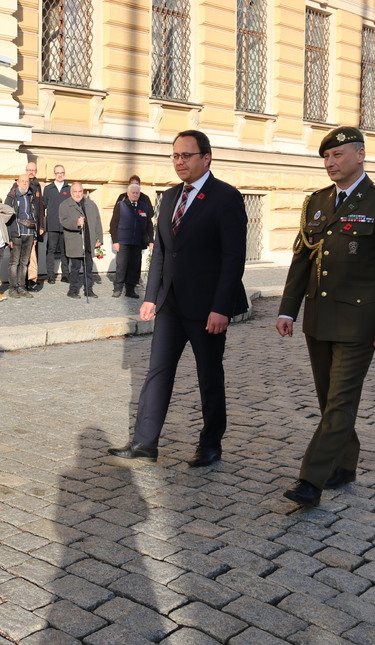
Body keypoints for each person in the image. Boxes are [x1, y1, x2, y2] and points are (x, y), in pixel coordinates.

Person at [276, 126, 375, 508]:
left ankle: (310, 480)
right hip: (319, 320)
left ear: (360, 155)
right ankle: (345, 464)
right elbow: (302, 259)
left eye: (338, 156)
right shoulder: (316, 202)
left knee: (339, 402)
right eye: (326, 158)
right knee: (330, 401)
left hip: (359, 324)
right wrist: (288, 309)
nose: (330, 163)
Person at [108, 130, 248, 467]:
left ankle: (210, 444)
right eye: (175, 156)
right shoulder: (169, 197)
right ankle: (144, 443)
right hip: (170, 304)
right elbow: (162, 253)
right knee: (157, 372)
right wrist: (151, 296)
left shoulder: (226, 197)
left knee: (209, 377)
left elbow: (233, 258)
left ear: (206, 158)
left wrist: (220, 307)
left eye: (186, 155)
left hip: (207, 308)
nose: (180, 161)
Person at [109, 182, 155, 298]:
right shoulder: (121, 205)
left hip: (137, 241)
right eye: (133, 193)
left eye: (137, 193)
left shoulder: (144, 207)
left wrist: (151, 240)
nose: (135, 195)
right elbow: (113, 224)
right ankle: (117, 288)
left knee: (134, 267)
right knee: (121, 266)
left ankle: (130, 290)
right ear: (128, 193)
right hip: (123, 241)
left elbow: (149, 224)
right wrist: (115, 241)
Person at [58, 182, 103, 299]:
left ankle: (89, 290)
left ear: (82, 192)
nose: (77, 194)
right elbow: (63, 221)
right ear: (71, 192)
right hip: (75, 242)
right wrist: (76, 223)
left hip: (89, 240)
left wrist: (99, 238)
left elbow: (98, 222)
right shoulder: (65, 205)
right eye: (75, 192)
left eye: (80, 191)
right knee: (75, 267)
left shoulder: (91, 204)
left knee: (88, 267)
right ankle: (73, 290)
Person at [4, 173, 44, 298]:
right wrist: (9, 236)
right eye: (22, 181)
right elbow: (6, 218)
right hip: (17, 233)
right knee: (14, 262)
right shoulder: (11, 197)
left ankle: (22, 287)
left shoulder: (31, 196)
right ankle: (12, 288)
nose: (25, 184)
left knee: (24, 262)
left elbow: (35, 215)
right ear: (18, 182)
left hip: (29, 233)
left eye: (27, 181)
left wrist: (35, 236)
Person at [42, 164, 70, 284]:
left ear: (64, 174)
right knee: (51, 250)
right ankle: (51, 276)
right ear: (54, 174)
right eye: (58, 173)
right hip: (52, 224)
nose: (60, 175)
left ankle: (65, 275)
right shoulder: (48, 189)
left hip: (65, 225)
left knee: (65, 251)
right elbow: (43, 207)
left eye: (62, 173)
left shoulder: (69, 188)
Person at [24, 160, 44, 289]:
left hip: (36, 225)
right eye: (29, 170)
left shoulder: (38, 185)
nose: (31, 172)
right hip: (24, 226)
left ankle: (32, 279)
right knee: (24, 255)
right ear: (26, 171)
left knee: (34, 254)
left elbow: (41, 207)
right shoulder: (20, 183)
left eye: (33, 170)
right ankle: (24, 280)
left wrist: (42, 226)